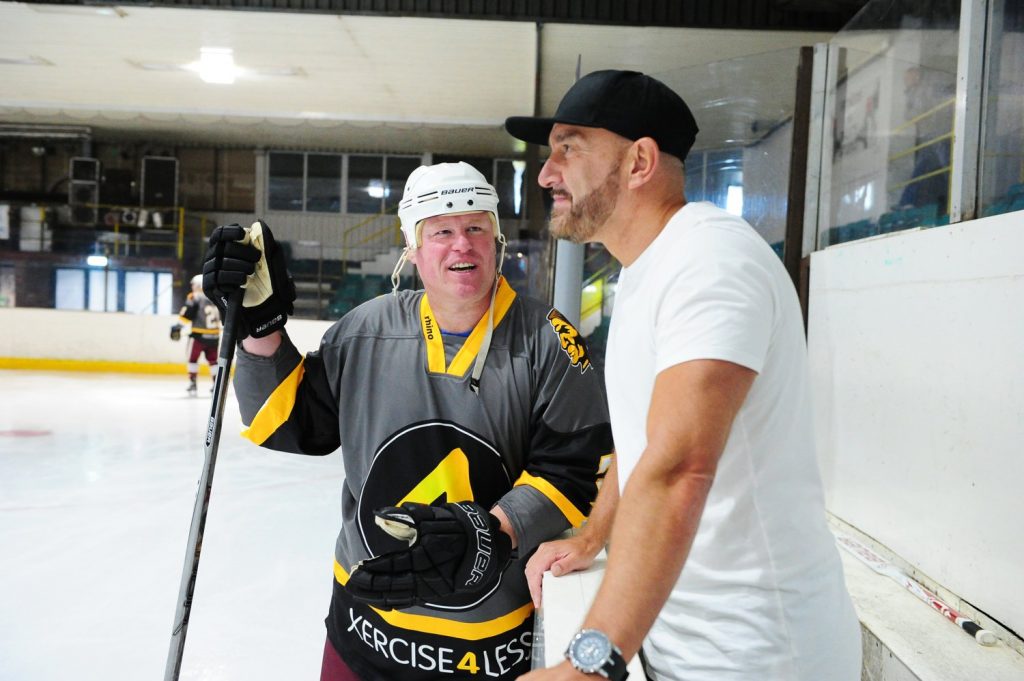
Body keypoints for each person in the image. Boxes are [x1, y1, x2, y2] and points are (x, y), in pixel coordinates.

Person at [505, 70, 861, 680]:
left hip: (758, 656)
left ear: (640, 160)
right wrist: (593, 536)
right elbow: (644, 443)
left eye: (569, 147)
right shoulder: (648, 268)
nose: (545, 172)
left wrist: (587, 664)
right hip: (686, 642)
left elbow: (677, 469)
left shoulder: (710, 262)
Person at [201, 161, 613, 680]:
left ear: (497, 241)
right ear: (413, 250)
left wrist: (492, 531)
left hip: (487, 645)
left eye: (475, 228)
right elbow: (290, 426)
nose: (461, 244)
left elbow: (574, 470)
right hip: (366, 631)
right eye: (441, 231)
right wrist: (258, 327)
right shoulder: (365, 328)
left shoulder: (548, 340)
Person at [170, 274, 221, 395]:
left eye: (193, 284)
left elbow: (187, 314)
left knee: (192, 359)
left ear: (199, 285)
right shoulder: (215, 297)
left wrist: (178, 327)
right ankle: (216, 385)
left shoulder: (195, 297)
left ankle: (193, 384)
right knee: (213, 361)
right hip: (214, 336)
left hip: (199, 336)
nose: (192, 287)